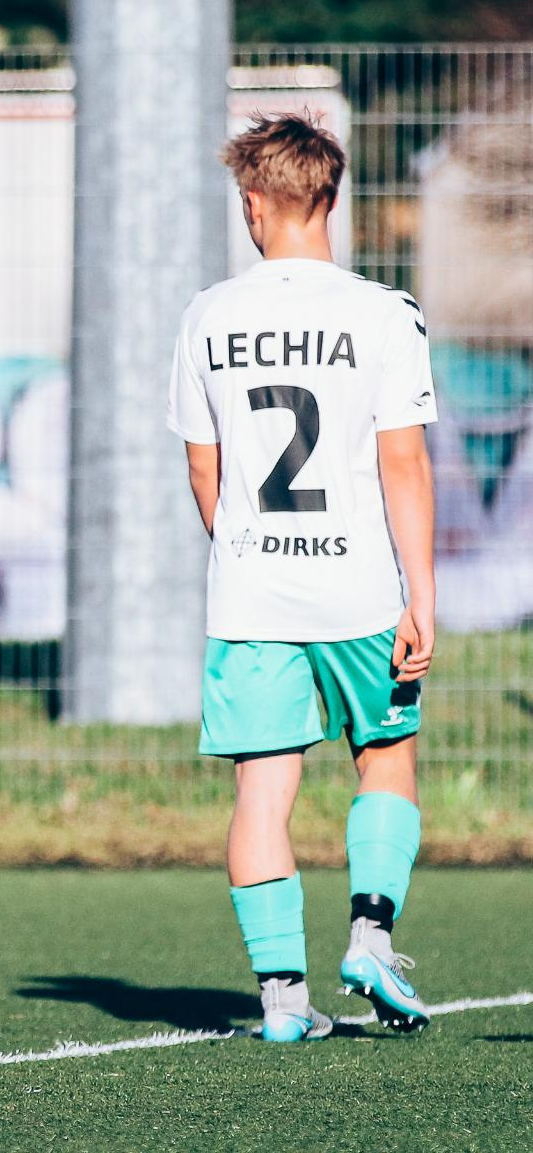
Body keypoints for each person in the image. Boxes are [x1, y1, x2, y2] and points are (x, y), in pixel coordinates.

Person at [167, 113, 436, 1043]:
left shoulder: (208, 315)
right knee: (386, 757)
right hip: (358, 588)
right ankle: (370, 937)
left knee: (262, 792)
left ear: (253, 203)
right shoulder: (385, 313)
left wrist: (245, 551)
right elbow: (404, 465)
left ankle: (283, 1002)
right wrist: (421, 596)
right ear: (332, 195)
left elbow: (203, 471)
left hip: (250, 596)